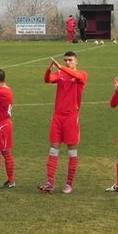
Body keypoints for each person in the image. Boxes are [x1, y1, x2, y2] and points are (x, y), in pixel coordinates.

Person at [39, 52, 87, 194]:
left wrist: (60, 67)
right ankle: (50, 182)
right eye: (65, 60)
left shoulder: (82, 75)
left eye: (70, 60)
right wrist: (49, 69)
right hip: (57, 117)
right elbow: (47, 80)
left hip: (71, 118)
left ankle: (69, 183)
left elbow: (77, 76)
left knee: (72, 152)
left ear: (76, 61)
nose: (67, 62)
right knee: (53, 149)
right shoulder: (60, 74)